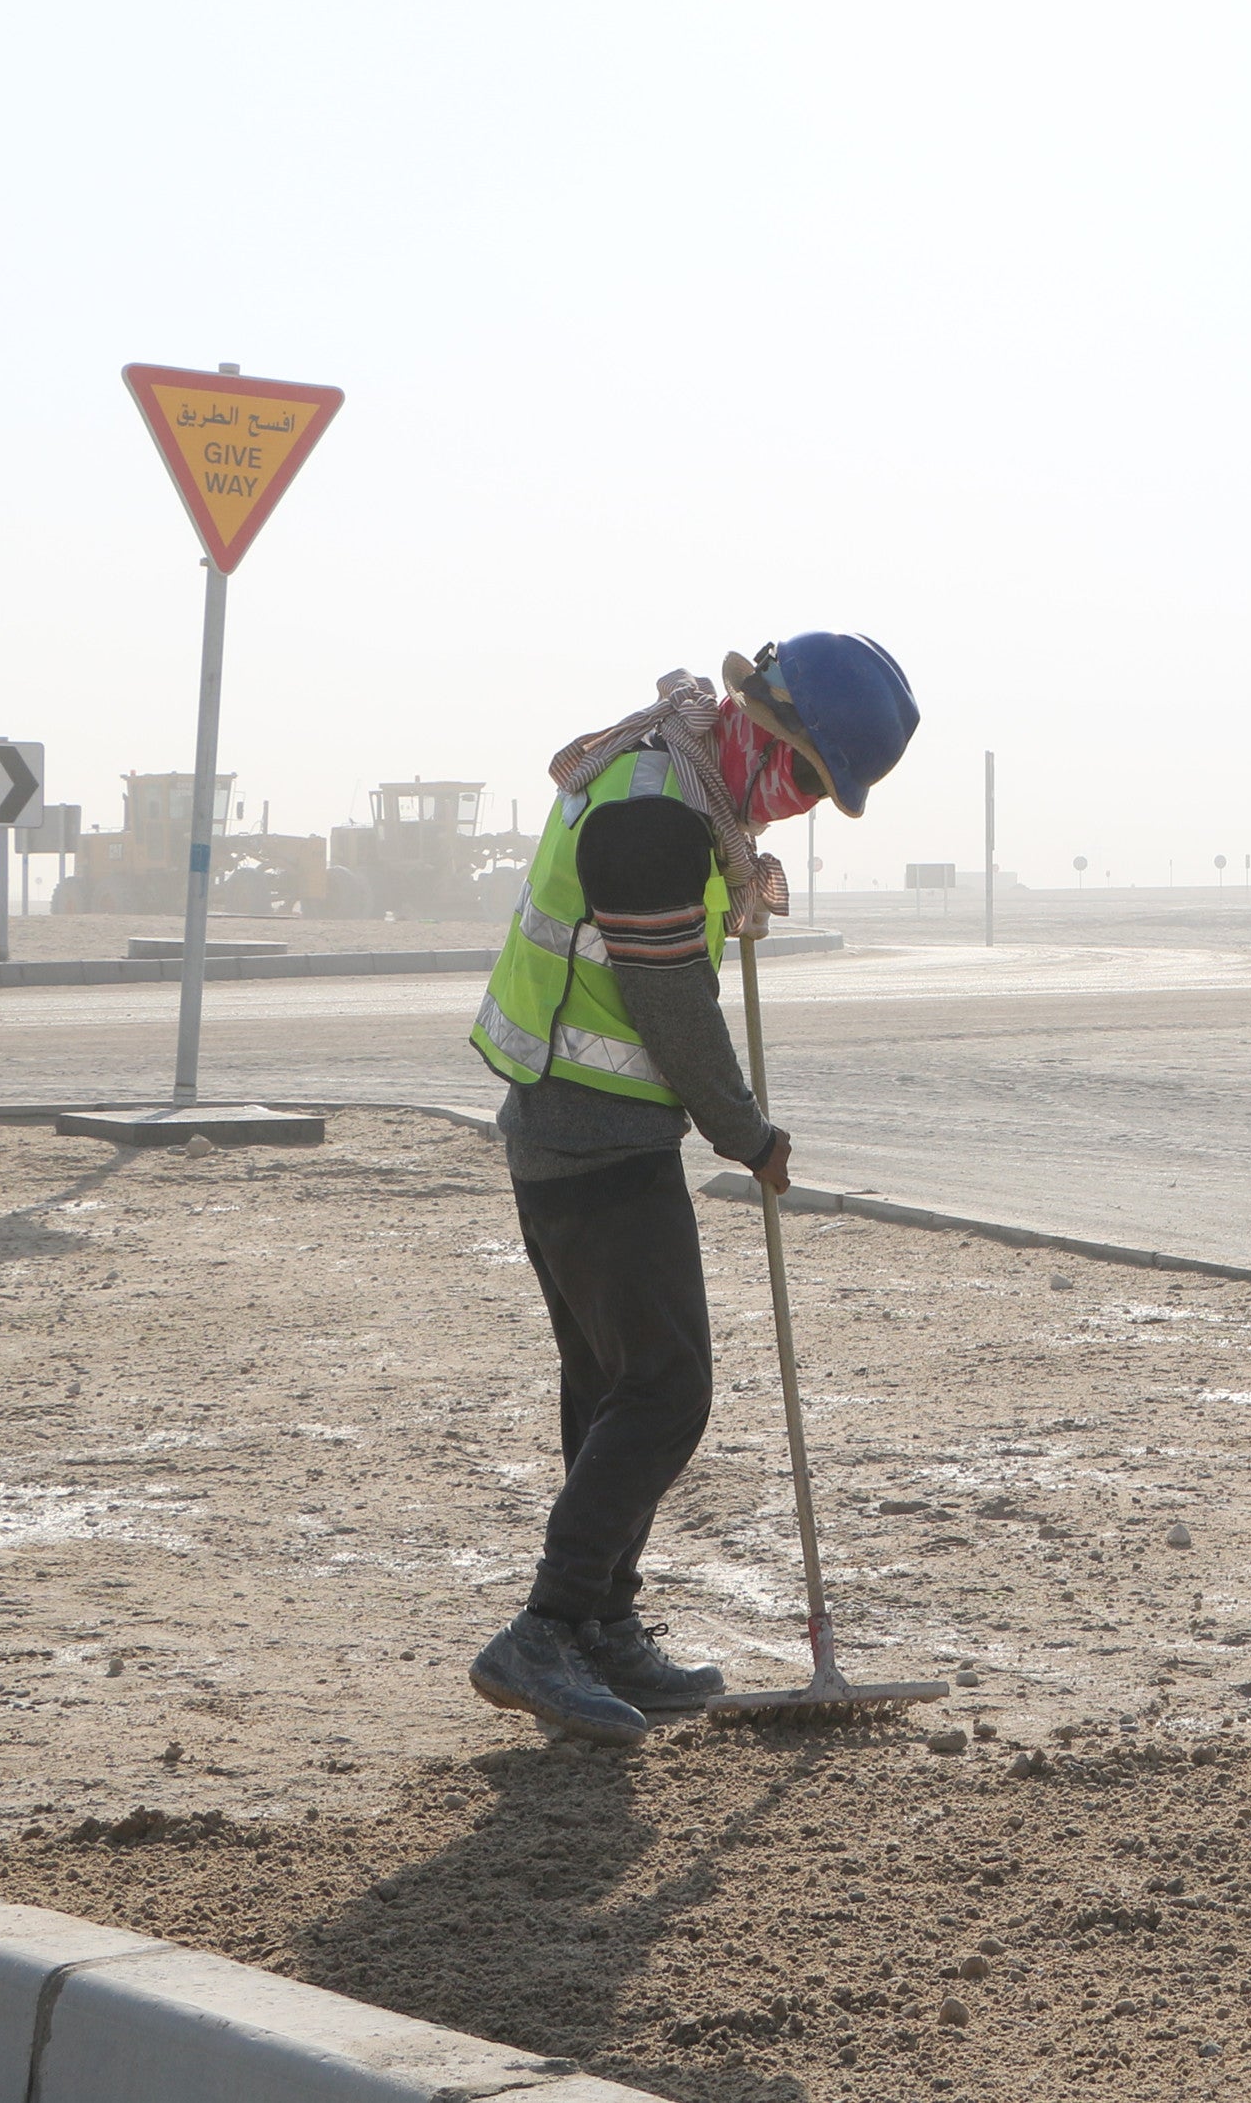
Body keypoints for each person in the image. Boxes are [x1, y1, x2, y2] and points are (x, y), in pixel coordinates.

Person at [462, 633, 918, 1742]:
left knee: (613, 1385)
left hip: (577, 1118)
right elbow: (667, 1006)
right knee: (666, 1390)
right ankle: (548, 1626)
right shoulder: (655, 811)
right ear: (760, 718)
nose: (804, 801)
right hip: (589, 1128)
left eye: (824, 791)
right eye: (806, 772)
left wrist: (737, 882)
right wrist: (748, 1131)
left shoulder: (685, 784)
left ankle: (605, 1627)